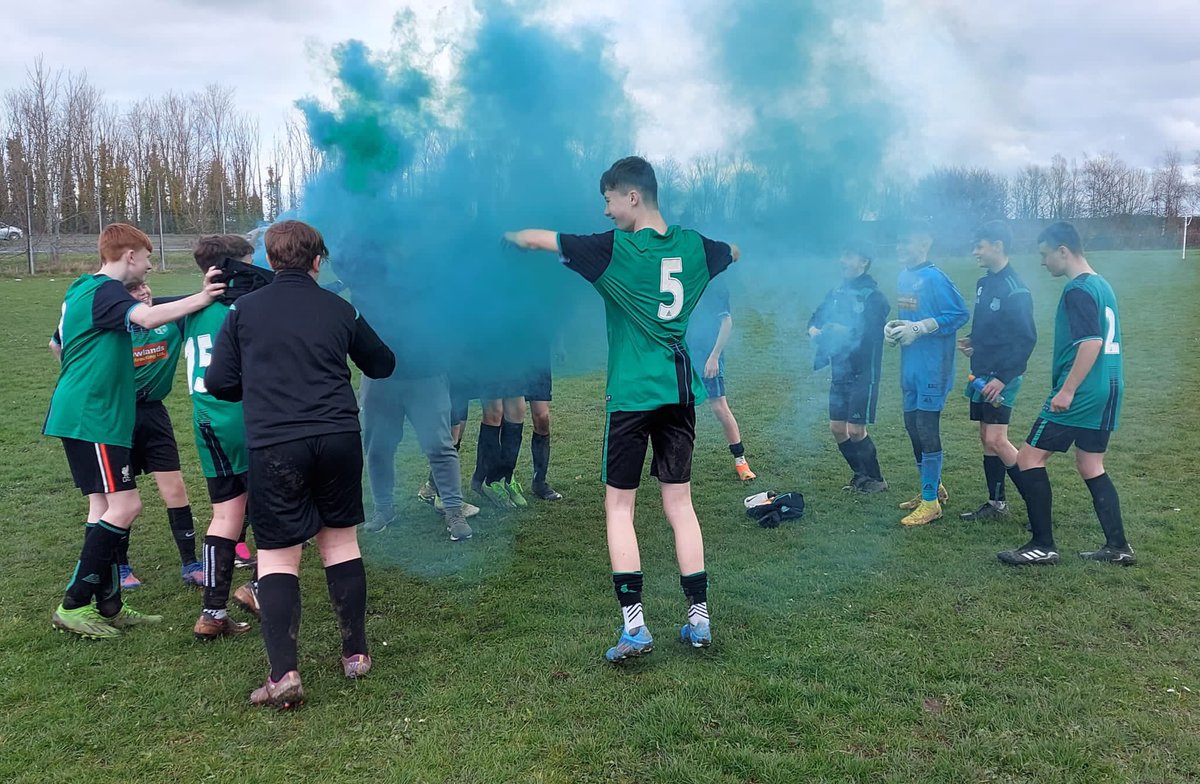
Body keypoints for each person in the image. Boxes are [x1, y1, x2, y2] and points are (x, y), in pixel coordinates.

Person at [504, 156, 738, 662]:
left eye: (609, 199)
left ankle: (635, 627)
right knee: (680, 506)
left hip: (632, 397)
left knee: (619, 507)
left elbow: (539, 240)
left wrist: (507, 235)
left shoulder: (614, 250)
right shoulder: (697, 246)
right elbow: (732, 252)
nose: (606, 211)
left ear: (632, 195)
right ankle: (699, 620)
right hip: (679, 395)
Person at [207, 220, 395, 708]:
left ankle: (283, 675)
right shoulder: (340, 308)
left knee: (278, 556)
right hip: (337, 438)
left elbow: (220, 382)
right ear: (317, 261)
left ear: (270, 261)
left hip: (276, 445)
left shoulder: (243, 310)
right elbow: (383, 363)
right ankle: (356, 655)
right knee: (340, 542)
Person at [45, 223, 223, 639]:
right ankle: (72, 604)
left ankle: (108, 604)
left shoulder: (81, 288)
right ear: (128, 256)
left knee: (105, 509)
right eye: (146, 257)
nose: (149, 265)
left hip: (88, 412)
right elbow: (147, 315)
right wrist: (203, 296)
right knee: (124, 508)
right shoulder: (108, 290)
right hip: (94, 416)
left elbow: (57, 344)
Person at [51, 279, 203, 588]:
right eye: (134, 290)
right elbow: (57, 342)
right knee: (118, 497)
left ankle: (191, 563)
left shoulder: (168, 318)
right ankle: (120, 567)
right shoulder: (111, 326)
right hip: (115, 415)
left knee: (174, 487)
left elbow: (196, 301)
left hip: (153, 413)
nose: (144, 292)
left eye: (145, 286)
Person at [998, 222, 1132, 566]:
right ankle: (1118, 546)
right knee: (1090, 464)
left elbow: (1091, 343)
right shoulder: (1101, 284)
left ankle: (1042, 544)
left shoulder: (1077, 290)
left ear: (1063, 251)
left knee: (1028, 459)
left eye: (1044, 254)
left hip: (1082, 392)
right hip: (1110, 386)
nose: (1043, 263)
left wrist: (1068, 390)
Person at [184, 235, 271, 640]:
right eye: (250, 265)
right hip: (247, 418)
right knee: (276, 508)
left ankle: (212, 612)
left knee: (226, 515)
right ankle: (257, 588)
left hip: (206, 421)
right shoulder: (247, 310)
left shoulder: (188, 309)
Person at [884, 220, 970, 526]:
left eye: (906, 242)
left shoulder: (935, 278)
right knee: (911, 425)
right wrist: (895, 328)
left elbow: (959, 313)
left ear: (924, 244)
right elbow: (911, 315)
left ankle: (931, 504)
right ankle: (932, 489)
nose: (900, 247)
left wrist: (920, 328)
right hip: (910, 367)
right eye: (898, 242)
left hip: (934, 365)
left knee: (926, 426)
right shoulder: (904, 276)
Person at [957, 221, 1037, 521]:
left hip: (1003, 375)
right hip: (980, 372)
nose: (975, 251)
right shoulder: (983, 283)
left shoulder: (1016, 289)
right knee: (985, 437)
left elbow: (1026, 338)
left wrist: (1003, 378)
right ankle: (996, 504)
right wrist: (973, 341)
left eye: (980, 245)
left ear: (998, 245)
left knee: (997, 439)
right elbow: (988, 327)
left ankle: (1036, 499)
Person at [806, 245, 890, 493]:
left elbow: (874, 334)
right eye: (841, 255)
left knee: (855, 429)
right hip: (840, 370)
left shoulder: (875, 297)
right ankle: (860, 474)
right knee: (837, 428)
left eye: (849, 256)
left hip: (864, 372)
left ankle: (877, 479)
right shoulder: (837, 291)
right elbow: (816, 317)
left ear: (863, 261)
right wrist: (814, 329)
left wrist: (845, 332)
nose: (842, 260)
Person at [686, 274, 756, 481]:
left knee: (719, 406)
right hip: (684, 354)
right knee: (681, 408)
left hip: (708, 355)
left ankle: (740, 461)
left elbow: (727, 322)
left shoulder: (715, 285)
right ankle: (676, 459)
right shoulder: (687, 278)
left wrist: (714, 356)